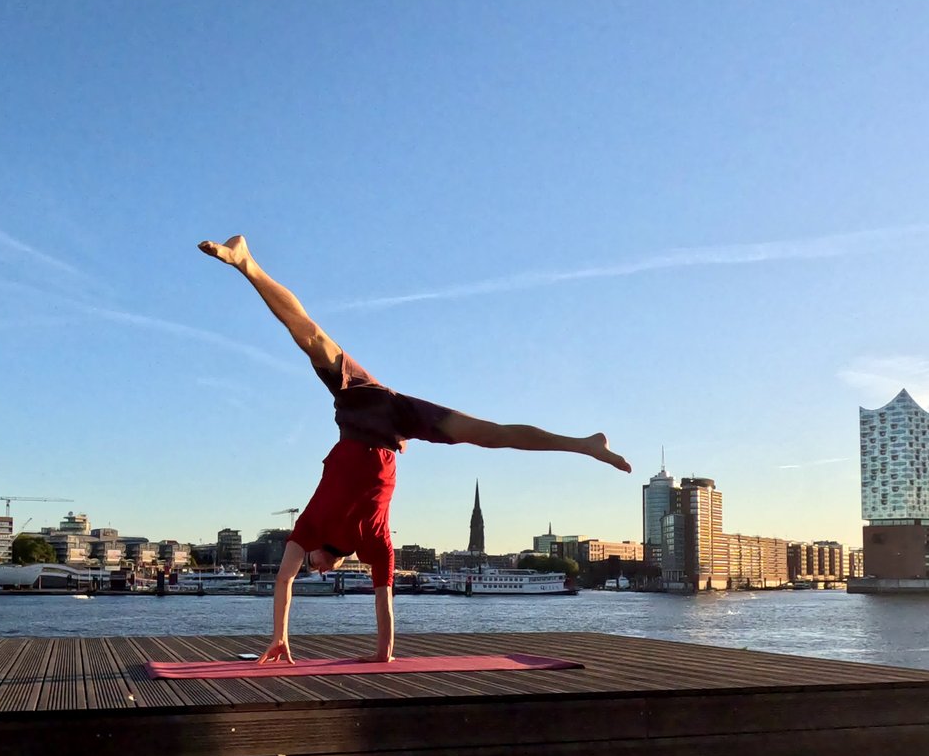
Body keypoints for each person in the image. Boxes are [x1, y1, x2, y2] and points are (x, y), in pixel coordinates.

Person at [199, 235, 631, 664]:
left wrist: (279, 636)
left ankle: (246, 262)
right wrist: (383, 654)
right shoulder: (374, 543)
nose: (315, 569)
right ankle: (584, 446)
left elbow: (283, 580)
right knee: (489, 434)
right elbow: (384, 604)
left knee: (311, 337)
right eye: (319, 571)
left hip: (363, 408)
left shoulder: (309, 527)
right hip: (393, 424)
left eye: (311, 568)